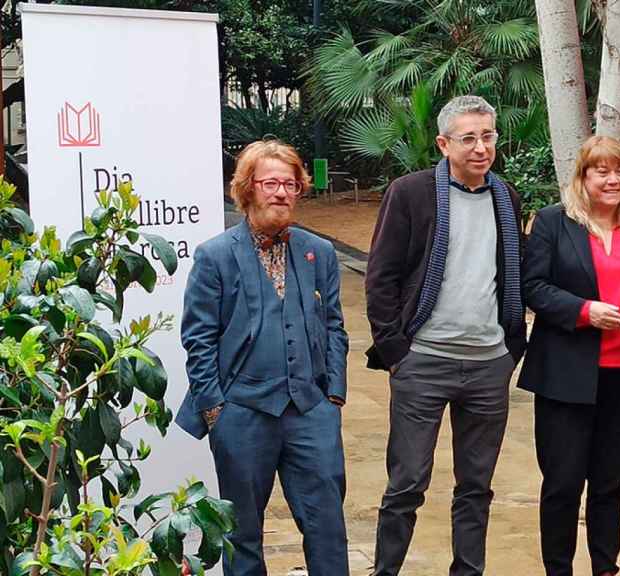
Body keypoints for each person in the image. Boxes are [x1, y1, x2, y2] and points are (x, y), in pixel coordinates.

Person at [365, 95, 526, 576]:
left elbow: (509, 275)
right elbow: (381, 277)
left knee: (476, 487)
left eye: (488, 136)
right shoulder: (410, 193)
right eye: (469, 138)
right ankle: (386, 570)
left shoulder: (506, 196)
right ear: (443, 144)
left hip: (487, 365)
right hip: (424, 363)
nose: (481, 148)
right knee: (407, 483)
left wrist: (509, 350)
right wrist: (397, 352)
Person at [175, 140, 350, 576]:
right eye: (270, 182)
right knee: (242, 533)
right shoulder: (215, 255)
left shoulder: (319, 252)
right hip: (243, 412)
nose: (281, 192)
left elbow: (334, 327)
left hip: (311, 409)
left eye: (290, 184)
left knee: (327, 526)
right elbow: (198, 338)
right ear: (247, 188)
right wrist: (216, 410)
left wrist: (334, 398)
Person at [518, 135, 620, 576]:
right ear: (582, 177)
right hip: (565, 376)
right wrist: (583, 310)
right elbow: (534, 287)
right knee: (562, 484)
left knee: (609, 484)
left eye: (619, 170)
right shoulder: (552, 223)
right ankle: (558, 569)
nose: (612, 179)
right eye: (601, 170)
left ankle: (606, 567)